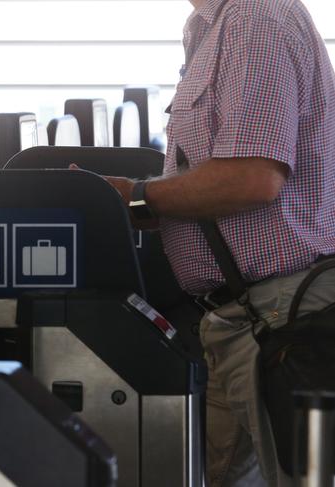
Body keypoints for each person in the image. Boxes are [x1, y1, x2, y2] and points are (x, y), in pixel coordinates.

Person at [82, 0, 335, 485]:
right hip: (237, 318)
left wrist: (137, 197)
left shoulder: (254, 18)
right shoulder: (207, 24)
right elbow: (219, 176)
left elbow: (251, 178)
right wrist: (139, 207)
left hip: (282, 317)